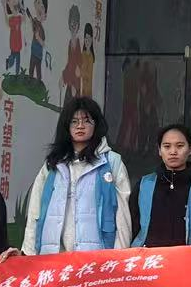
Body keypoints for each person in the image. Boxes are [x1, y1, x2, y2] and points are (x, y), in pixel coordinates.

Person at [19, 97, 132, 255]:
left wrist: (120, 257)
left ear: (97, 125)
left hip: (94, 259)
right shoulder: (52, 164)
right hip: (53, 256)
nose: (80, 126)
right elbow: (35, 211)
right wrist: (29, 254)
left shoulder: (112, 162)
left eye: (86, 121)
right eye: (74, 121)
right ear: (66, 126)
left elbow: (122, 215)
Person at [129, 123, 191, 248]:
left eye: (180, 146)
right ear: (159, 150)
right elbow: (132, 226)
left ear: (190, 149)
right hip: (151, 257)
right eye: (167, 146)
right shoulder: (144, 185)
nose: (173, 152)